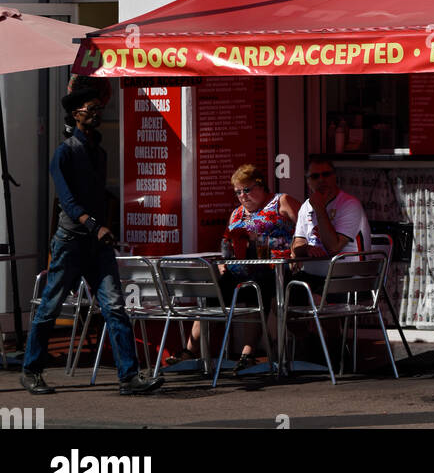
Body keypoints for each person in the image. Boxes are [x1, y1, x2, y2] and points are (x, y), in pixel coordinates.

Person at [20, 80, 163, 396]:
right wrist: (94, 225)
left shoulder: (99, 151)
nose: (98, 114)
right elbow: (68, 202)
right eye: (92, 109)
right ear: (75, 113)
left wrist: (106, 225)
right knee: (50, 306)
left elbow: (100, 197)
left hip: (96, 245)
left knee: (114, 306)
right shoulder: (63, 154)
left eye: (100, 109)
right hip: (70, 242)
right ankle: (31, 371)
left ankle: (129, 377)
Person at [171, 163, 301, 373]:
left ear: (261, 185)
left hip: (275, 269)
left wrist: (298, 250)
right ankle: (190, 350)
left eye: (247, 189)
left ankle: (247, 353)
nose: (243, 196)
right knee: (212, 291)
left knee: (257, 287)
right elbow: (226, 243)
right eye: (238, 192)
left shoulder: (281, 202)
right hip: (242, 270)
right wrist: (223, 262)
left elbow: (306, 226)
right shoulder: (237, 214)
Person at [291, 154, 370, 279]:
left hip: (346, 278)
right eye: (315, 176)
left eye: (326, 174)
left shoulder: (349, 204)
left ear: (334, 177)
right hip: (312, 277)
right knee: (275, 288)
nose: (321, 180)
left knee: (302, 294)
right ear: (308, 181)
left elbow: (333, 248)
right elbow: (297, 244)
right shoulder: (306, 206)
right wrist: (306, 249)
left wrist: (320, 209)